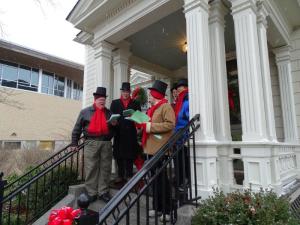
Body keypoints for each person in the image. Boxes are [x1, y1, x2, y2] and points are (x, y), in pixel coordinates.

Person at [71, 87, 115, 203]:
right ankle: (91, 193)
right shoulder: (85, 112)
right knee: (91, 168)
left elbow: (115, 130)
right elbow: (77, 128)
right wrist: (74, 143)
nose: (102, 101)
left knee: (105, 168)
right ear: (95, 99)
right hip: (91, 143)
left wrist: (114, 125)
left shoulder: (109, 112)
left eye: (104, 99)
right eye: (100, 99)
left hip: (106, 143)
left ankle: (103, 192)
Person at [142, 80, 175, 222]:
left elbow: (170, 124)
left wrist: (149, 126)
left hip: (160, 149)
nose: (149, 96)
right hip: (150, 149)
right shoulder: (153, 109)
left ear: (156, 94)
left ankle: (167, 210)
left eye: (151, 94)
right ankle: (157, 208)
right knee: (154, 181)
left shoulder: (166, 107)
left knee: (162, 181)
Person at [110, 82, 141, 187]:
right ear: (121, 92)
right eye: (124, 91)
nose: (125, 93)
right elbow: (111, 116)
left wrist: (135, 117)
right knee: (119, 155)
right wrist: (113, 122)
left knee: (130, 155)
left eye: (127, 91)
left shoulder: (135, 103)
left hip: (131, 133)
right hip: (119, 132)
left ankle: (129, 174)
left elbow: (139, 118)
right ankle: (120, 175)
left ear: (129, 92)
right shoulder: (115, 103)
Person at [173, 78, 190, 191]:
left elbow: (188, 117)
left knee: (184, 161)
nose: (177, 92)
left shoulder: (186, 101)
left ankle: (185, 181)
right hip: (178, 137)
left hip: (184, 137)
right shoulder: (180, 101)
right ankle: (180, 181)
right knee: (179, 161)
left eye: (178, 90)